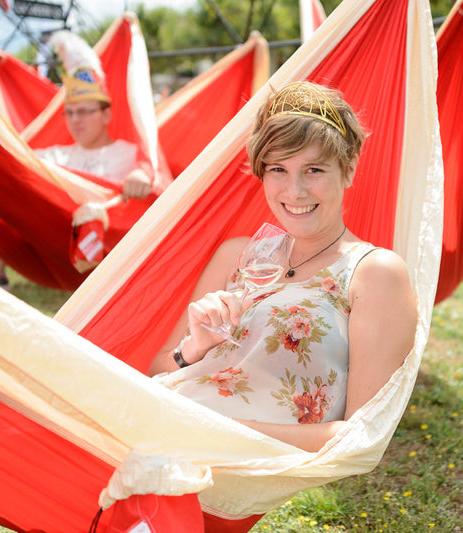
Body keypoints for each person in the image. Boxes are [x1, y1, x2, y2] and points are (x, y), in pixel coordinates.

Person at [148, 81, 417, 454]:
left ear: (349, 170)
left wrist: (218, 431)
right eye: (278, 169)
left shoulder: (373, 273)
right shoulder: (236, 255)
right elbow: (157, 371)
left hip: (216, 449)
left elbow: (361, 436)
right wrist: (193, 348)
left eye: (314, 170)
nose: (295, 191)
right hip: (162, 418)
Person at [0, 65, 153, 288]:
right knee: (21, 190)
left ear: (106, 114)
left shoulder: (130, 154)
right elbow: (12, 157)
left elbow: (155, 176)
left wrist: (142, 174)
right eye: (69, 113)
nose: (75, 119)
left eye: (84, 111)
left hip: (110, 249)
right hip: (57, 241)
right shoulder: (57, 155)